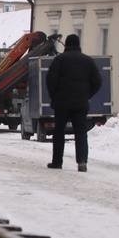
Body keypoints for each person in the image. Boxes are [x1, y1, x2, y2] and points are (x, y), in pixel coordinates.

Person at [46, 34, 102, 172]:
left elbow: (50, 80)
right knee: (81, 133)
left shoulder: (59, 60)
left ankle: (57, 162)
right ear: (78, 45)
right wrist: (87, 95)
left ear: (66, 45)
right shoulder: (88, 61)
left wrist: (54, 96)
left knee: (59, 132)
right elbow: (98, 81)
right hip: (80, 103)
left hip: (62, 102)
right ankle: (82, 162)